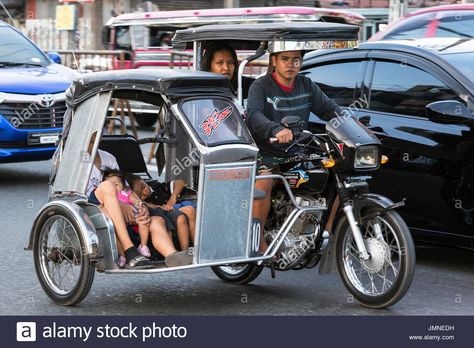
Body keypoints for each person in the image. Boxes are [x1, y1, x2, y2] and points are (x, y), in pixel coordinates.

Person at [246, 49, 343, 254]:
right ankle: (256, 241)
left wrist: (354, 125)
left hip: (296, 149)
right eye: (285, 59)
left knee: (337, 174)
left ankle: (326, 231)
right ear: (274, 61)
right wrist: (275, 129)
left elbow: (329, 109)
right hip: (265, 150)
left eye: (296, 60)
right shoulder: (260, 86)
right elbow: (253, 115)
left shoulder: (306, 85)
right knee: (264, 181)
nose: (291, 64)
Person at [86, 135, 192, 268]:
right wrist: (119, 205)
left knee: (156, 221)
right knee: (108, 186)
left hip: (123, 204)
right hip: (94, 204)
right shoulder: (75, 156)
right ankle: (128, 250)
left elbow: (125, 189)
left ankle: (173, 256)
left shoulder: (109, 158)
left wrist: (141, 207)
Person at [127, 175, 196, 250]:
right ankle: (185, 250)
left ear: (142, 180)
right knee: (188, 211)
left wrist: (173, 196)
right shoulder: (142, 203)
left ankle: (195, 245)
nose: (145, 192)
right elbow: (147, 206)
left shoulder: (157, 187)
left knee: (190, 210)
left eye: (143, 187)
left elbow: (180, 182)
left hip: (173, 207)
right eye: (140, 195)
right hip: (165, 213)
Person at [103, 169, 151, 258]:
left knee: (143, 221)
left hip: (134, 216)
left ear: (123, 185)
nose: (113, 187)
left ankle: (143, 246)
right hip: (119, 220)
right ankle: (121, 255)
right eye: (110, 185)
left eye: (116, 184)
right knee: (115, 229)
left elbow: (135, 200)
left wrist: (140, 206)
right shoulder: (107, 196)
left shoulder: (126, 192)